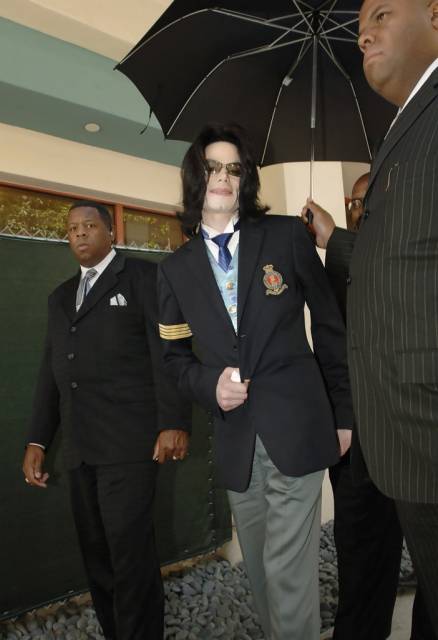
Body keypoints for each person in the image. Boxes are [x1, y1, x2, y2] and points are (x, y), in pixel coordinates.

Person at [157, 122, 354, 640]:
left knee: (288, 573)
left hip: (300, 428)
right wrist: (209, 385)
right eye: (212, 167)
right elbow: (173, 358)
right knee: (263, 573)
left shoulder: (286, 236)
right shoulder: (174, 270)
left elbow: (329, 326)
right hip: (237, 442)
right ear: (195, 177)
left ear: (245, 180)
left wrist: (344, 413)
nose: (223, 177)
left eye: (234, 169)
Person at [303, 1, 438, 636]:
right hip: (392, 436)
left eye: (381, 13)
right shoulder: (404, 128)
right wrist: (334, 237)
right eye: (360, 26)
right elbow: (402, 258)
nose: (364, 34)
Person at [22, 201, 190, 640]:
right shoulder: (60, 298)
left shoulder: (143, 278)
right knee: (98, 558)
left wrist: (173, 421)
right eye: (72, 228)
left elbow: (169, 354)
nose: (79, 233)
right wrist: (38, 440)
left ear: (110, 231)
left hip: (130, 447)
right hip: (80, 450)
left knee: (130, 555)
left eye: (89, 225)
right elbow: (51, 374)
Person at [309, 172, 404, 640]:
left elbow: (390, 286)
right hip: (353, 439)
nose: (360, 209)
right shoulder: (335, 264)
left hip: (407, 434)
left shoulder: (404, 254)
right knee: (359, 551)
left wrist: (335, 238)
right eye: (354, 201)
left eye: (369, 201)